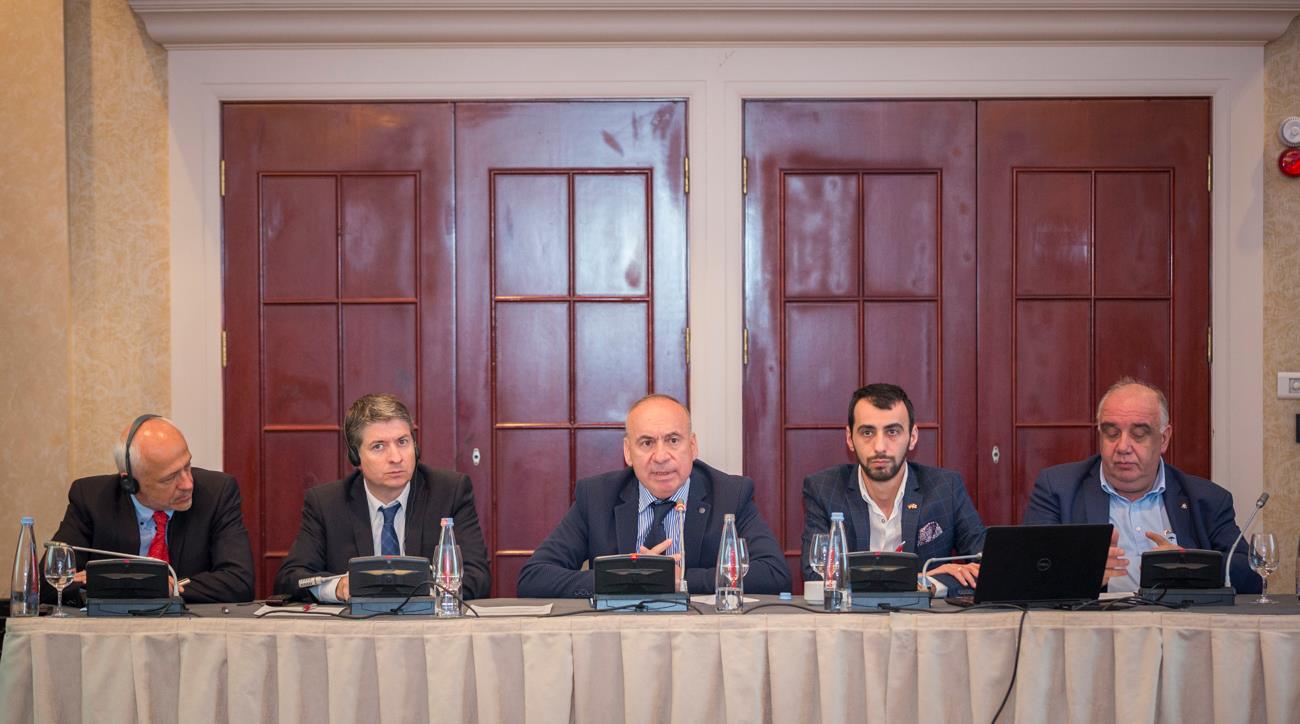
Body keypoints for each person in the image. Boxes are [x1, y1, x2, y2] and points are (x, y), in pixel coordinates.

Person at [517, 394, 791, 598]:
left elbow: (774, 575)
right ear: (628, 452)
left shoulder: (730, 494)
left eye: (673, 440)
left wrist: (680, 581)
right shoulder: (597, 497)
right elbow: (534, 577)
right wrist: (628, 578)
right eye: (647, 443)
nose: (660, 456)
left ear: (692, 446)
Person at [1023, 378, 1262, 593]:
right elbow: (1028, 570)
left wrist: (1185, 566)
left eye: (1138, 434)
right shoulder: (1058, 489)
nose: (1123, 447)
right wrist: (1082, 572)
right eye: (1111, 433)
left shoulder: (1206, 498)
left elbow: (1251, 574)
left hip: (1177, 624)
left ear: (1164, 439)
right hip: (1095, 624)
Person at [274, 393, 490, 601]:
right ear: (355, 457)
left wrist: (418, 593)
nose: (396, 457)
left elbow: (477, 577)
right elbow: (291, 578)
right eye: (379, 446)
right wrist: (338, 588)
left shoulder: (449, 492)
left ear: (415, 447)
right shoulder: (327, 503)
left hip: (427, 623)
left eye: (402, 442)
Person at [45, 414, 254, 603]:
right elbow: (50, 582)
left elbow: (238, 581)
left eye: (187, 466)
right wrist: (134, 586)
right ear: (129, 483)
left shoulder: (217, 493)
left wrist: (168, 587)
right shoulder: (91, 498)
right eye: (170, 478)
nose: (187, 484)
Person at [800, 384, 985, 597]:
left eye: (892, 432)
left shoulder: (945, 488)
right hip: (853, 616)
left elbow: (989, 567)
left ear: (912, 437)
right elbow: (816, 576)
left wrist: (932, 584)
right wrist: (922, 580)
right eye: (867, 432)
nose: (879, 446)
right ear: (850, 439)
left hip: (921, 617)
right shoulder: (824, 490)